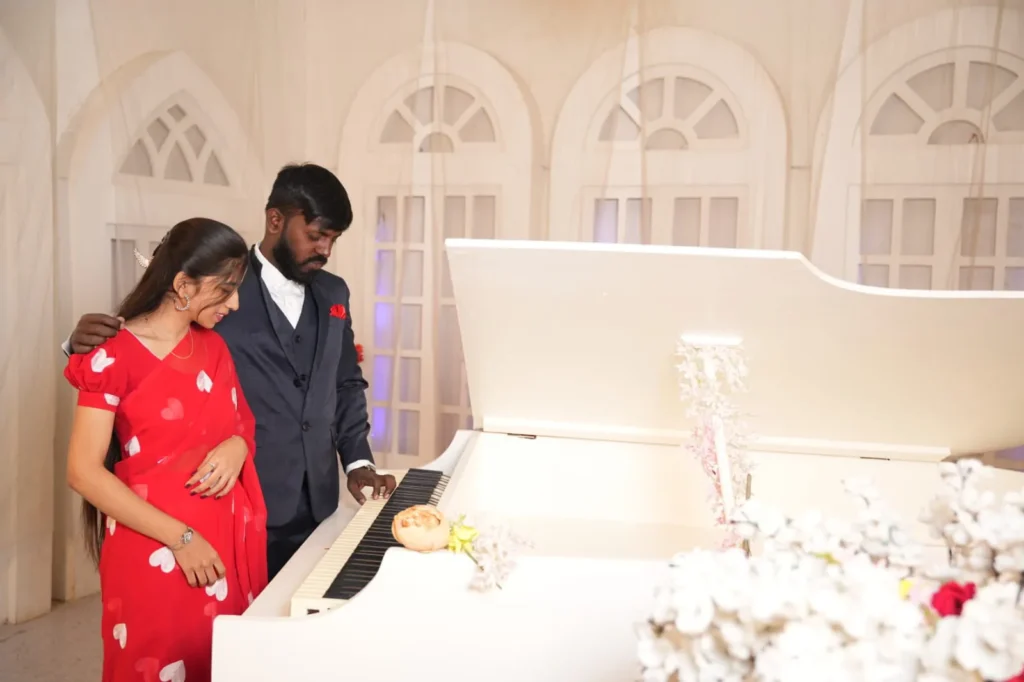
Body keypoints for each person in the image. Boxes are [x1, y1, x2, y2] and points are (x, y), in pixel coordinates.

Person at [67, 163, 397, 580]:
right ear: (275, 220)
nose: (325, 250)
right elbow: (151, 341)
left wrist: (357, 462)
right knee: (236, 632)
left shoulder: (335, 292)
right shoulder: (218, 288)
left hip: (319, 498)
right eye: (316, 236)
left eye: (333, 239)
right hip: (233, 497)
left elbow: (345, 382)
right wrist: (80, 344)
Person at [65, 217, 268, 682]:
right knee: (155, 665)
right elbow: (82, 471)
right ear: (183, 285)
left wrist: (238, 445)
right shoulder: (111, 354)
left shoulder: (214, 348)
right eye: (225, 290)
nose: (235, 304)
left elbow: (243, 426)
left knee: (219, 662)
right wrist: (182, 539)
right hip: (157, 547)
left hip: (223, 550)